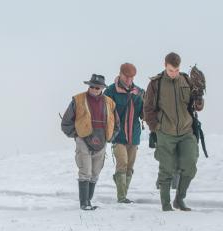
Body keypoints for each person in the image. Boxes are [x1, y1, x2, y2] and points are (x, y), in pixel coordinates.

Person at [143, 52, 204, 211]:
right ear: (165, 66)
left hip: (186, 131)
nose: (174, 73)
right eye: (171, 70)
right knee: (166, 169)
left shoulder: (186, 80)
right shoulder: (155, 84)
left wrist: (199, 98)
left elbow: (197, 107)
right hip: (165, 132)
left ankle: (179, 199)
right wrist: (155, 127)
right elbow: (147, 108)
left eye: (176, 70)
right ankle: (166, 204)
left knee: (190, 165)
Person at [61, 74, 120, 210]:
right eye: (92, 86)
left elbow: (117, 124)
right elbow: (66, 122)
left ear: (102, 88)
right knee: (85, 171)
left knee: (95, 172)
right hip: (83, 139)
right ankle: (84, 203)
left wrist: (110, 137)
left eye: (97, 87)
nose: (94, 89)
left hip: (101, 140)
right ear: (89, 86)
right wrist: (76, 136)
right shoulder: (78, 100)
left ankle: (88, 201)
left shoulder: (110, 102)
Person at [104, 63, 145, 203]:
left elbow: (144, 113)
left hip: (134, 135)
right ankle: (121, 198)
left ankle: (123, 193)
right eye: (126, 77)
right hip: (118, 135)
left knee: (129, 166)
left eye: (131, 77)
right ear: (120, 74)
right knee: (122, 162)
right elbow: (106, 113)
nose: (128, 80)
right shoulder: (110, 91)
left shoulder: (139, 92)